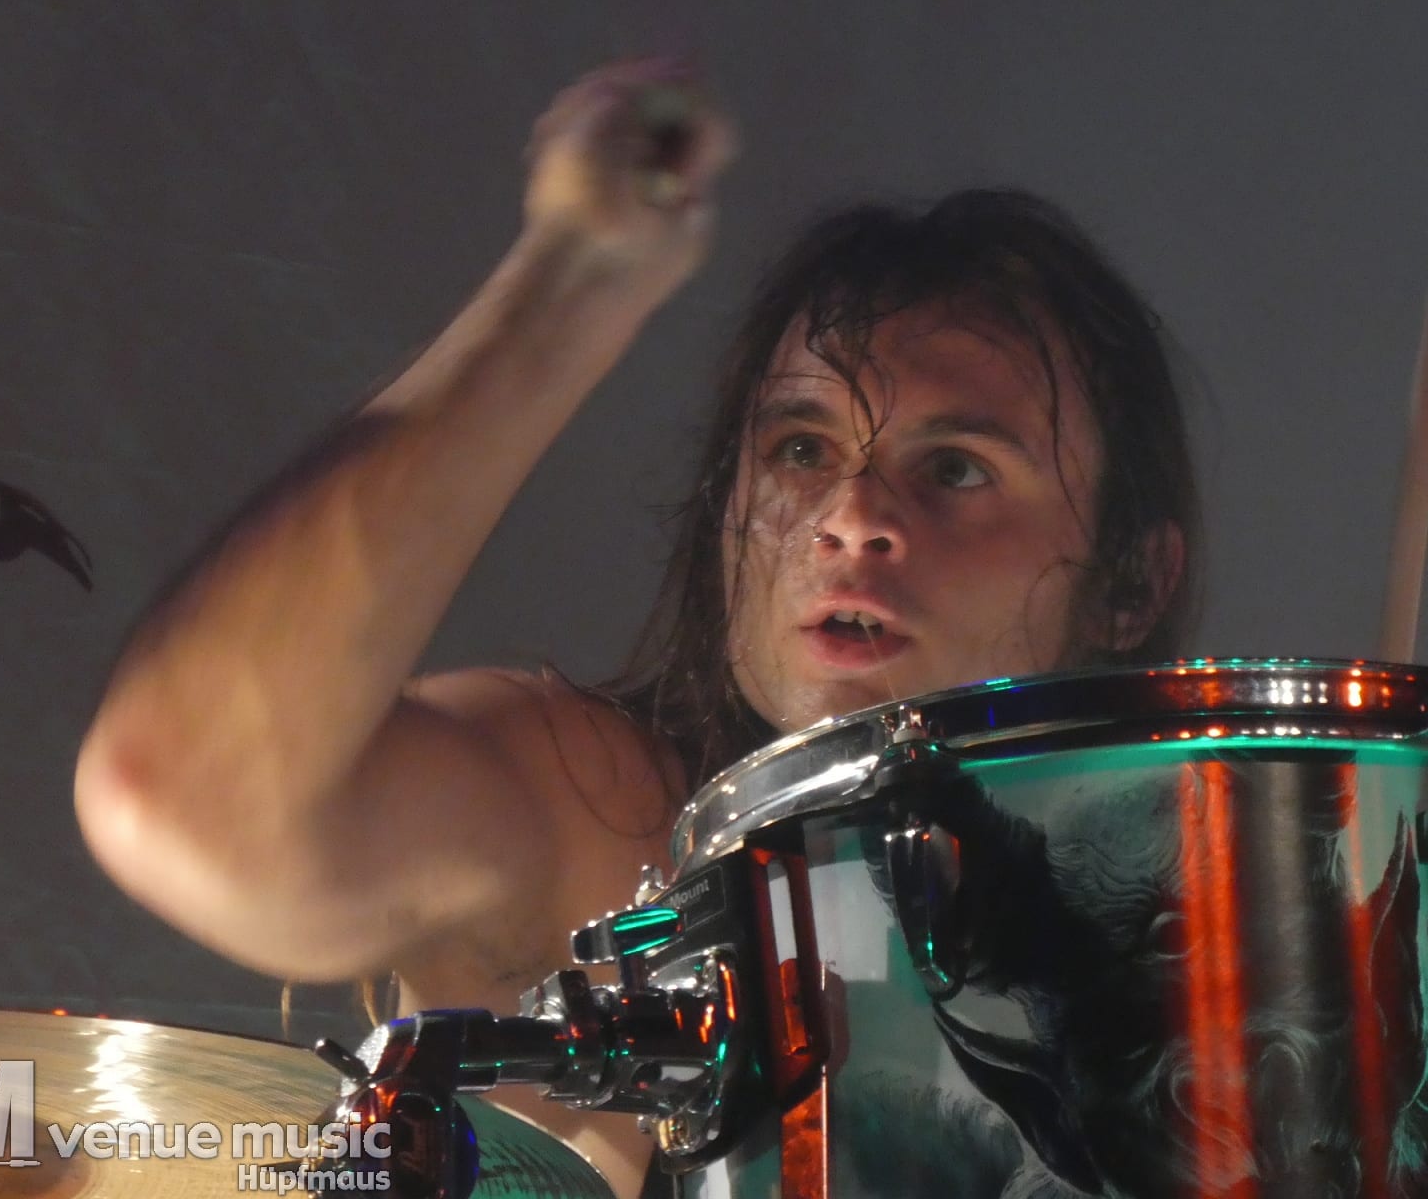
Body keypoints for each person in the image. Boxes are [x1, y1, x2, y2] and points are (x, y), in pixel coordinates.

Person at [72, 58, 1202, 1198]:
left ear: (1131, 584)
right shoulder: (604, 820)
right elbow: (191, 791)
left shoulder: (1208, 954)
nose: (851, 515)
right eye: (801, 449)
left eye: (954, 468)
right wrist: (577, 284)